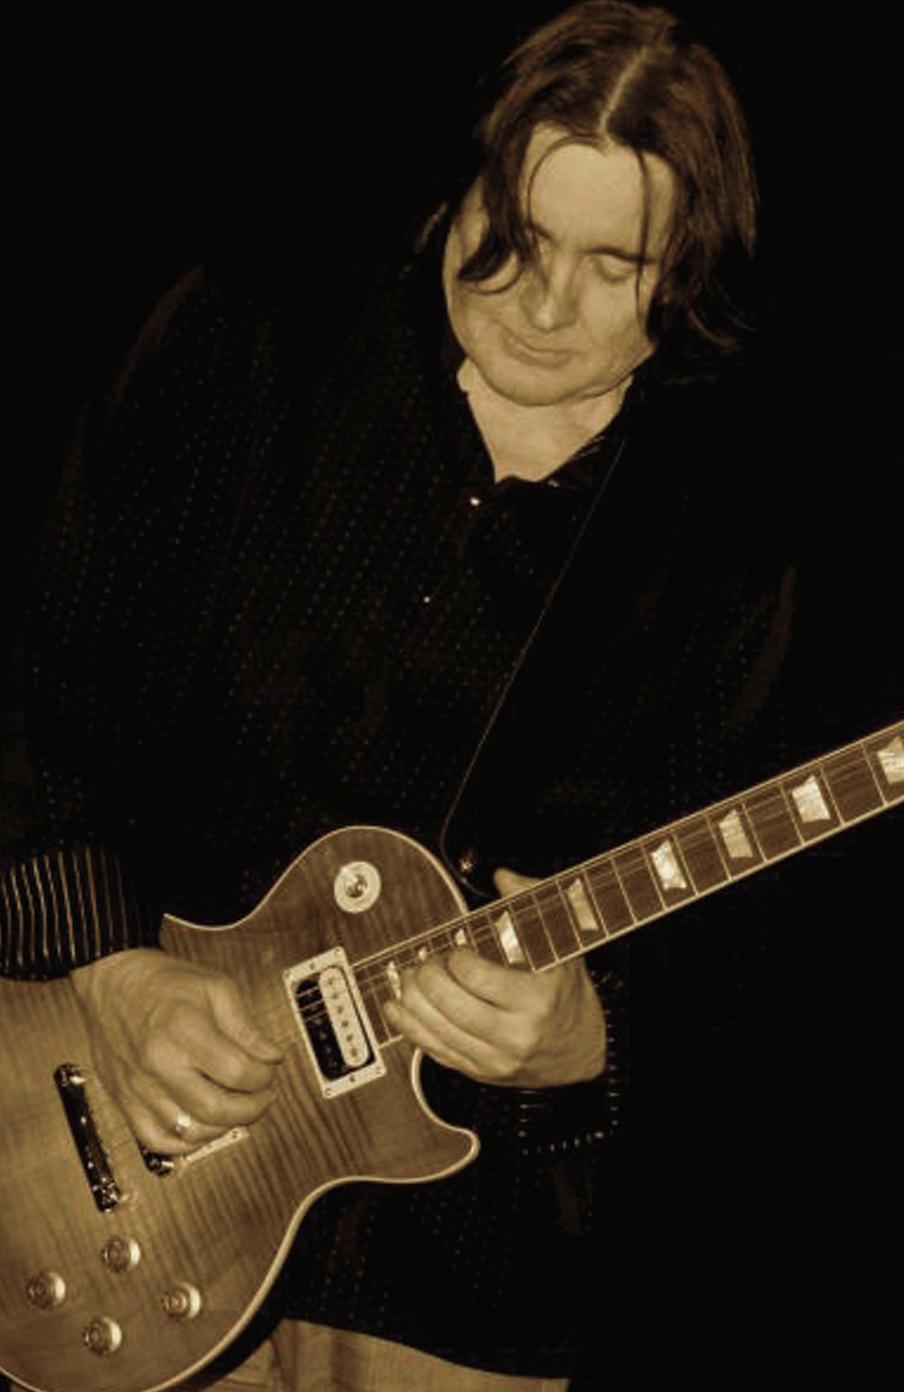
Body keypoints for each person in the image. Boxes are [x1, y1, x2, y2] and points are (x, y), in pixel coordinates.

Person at [1, 3, 821, 1387]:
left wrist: (588, 1037)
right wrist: (113, 969)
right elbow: (43, 689)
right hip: (81, 1143)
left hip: (452, 1282)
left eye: (613, 267)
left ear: (685, 278)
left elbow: (758, 956)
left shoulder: (725, 544)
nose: (543, 307)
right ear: (463, 186)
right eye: (517, 236)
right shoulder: (247, 345)